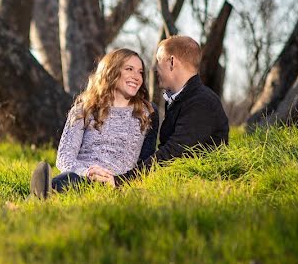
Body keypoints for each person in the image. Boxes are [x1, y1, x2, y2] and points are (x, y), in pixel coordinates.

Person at [30, 48, 158, 199]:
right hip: (79, 176)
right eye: (129, 69)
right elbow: (65, 156)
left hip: (114, 184)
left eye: (140, 72)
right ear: (111, 71)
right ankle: (43, 194)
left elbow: (146, 164)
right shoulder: (84, 109)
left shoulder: (147, 112)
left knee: (61, 187)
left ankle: (40, 195)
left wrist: (118, 182)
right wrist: (88, 172)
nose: (137, 77)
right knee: (69, 181)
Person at [107, 35, 229, 186]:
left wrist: (121, 181)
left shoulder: (202, 102)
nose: (155, 69)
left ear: (172, 62)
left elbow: (174, 152)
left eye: (158, 61)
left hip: (198, 188)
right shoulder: (179, 99)